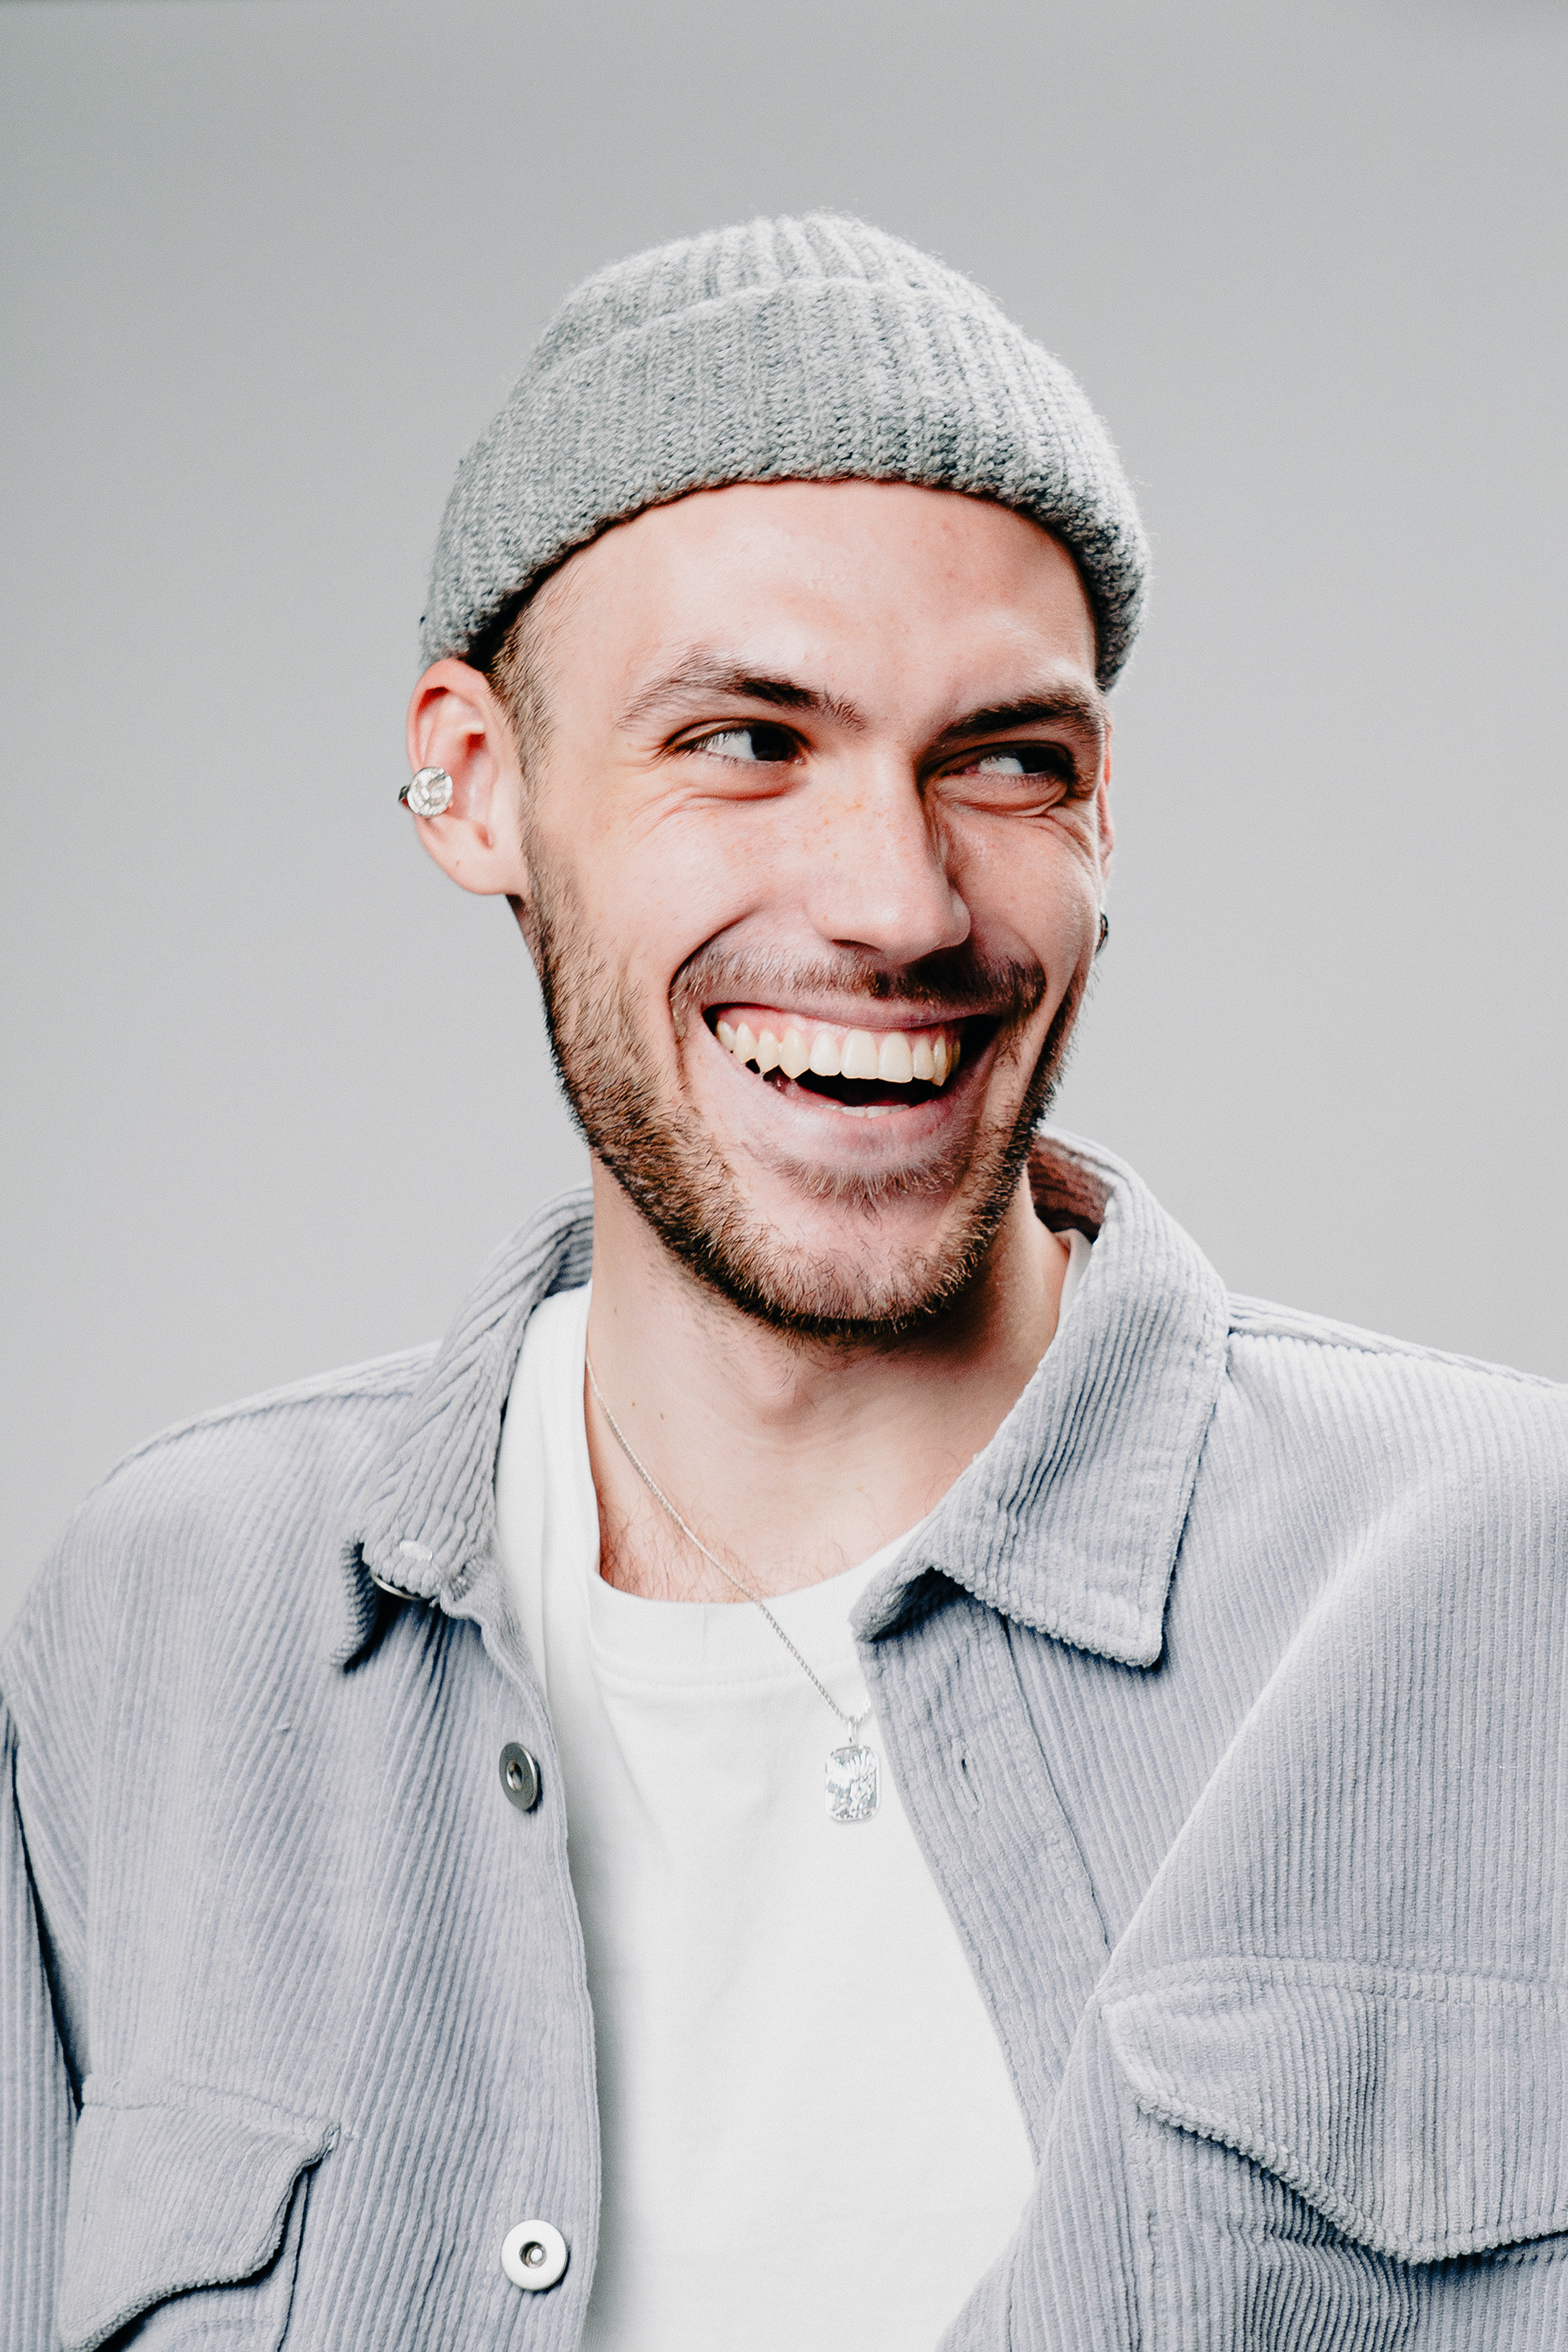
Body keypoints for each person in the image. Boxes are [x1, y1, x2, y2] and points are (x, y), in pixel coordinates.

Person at [3, 213, 1564, 2352]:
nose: (898, 903)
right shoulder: (169, 1628)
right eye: (747, 739)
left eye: (1007, 758)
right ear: (476, 784)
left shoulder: (1507, 1586)